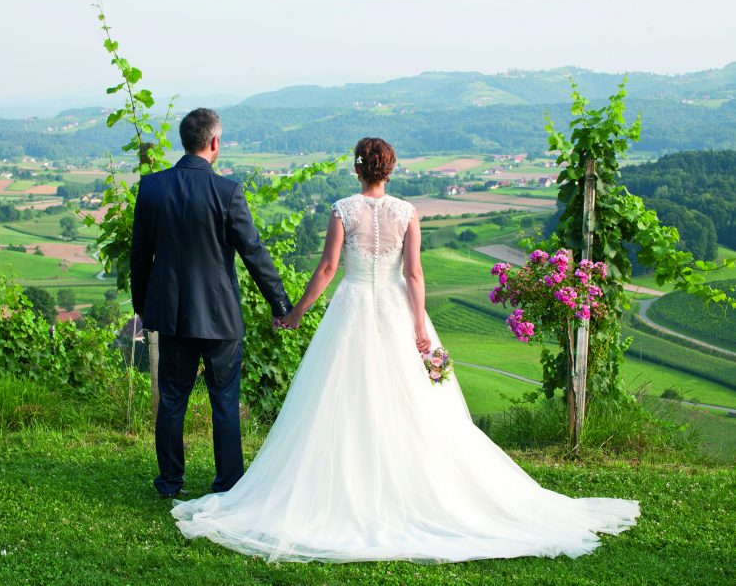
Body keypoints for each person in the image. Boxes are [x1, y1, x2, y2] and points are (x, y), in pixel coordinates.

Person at [170, 137, 640, 563]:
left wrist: (295, 313)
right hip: (397, 310)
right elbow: (414, 275)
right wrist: (420, 327)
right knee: (412, 404)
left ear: (358, 170)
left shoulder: (343, 210)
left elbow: (329, 267)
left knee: (340, 398)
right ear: (389, 171)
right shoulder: (407, 212)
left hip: (351, 308)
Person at [131, 108, 292, 498]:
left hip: (170, 316)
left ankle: (169, 482)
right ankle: (228, 485)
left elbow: (139, 257)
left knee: (171, 400)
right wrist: (281, 305)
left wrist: (143, 307)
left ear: (184, 141)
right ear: (214, 142)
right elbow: (254, 253)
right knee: (224, 401)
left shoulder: (151, 188)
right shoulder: (228, 192)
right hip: (220, 318)